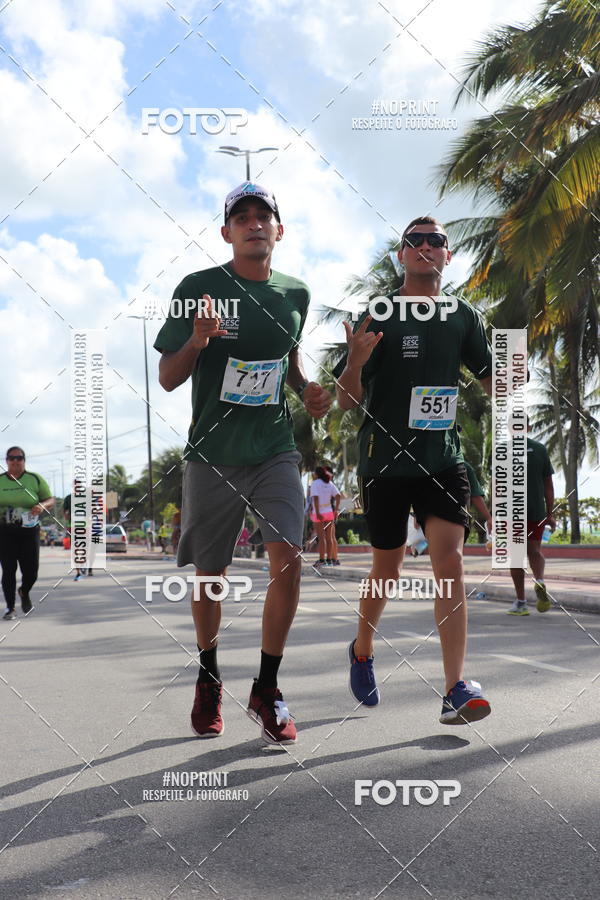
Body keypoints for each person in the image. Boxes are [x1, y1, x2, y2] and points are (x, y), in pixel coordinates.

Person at [154, 182, 331, 745]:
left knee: (289, 557)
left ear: (279, 230)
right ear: (226, 231)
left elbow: (291, 364)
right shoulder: (199, 289)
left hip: (275, 447)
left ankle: (267, 688)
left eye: (264, 216)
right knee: (212, 577)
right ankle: (208, 679)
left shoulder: (296, 294)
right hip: (212, 454)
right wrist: (199, 341)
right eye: (242, 217)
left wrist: (308, 391)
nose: (254, 224)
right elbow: (168, 377)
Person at [335, 216, 493, 725]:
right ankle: (362, 648)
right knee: (389, 567)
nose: (426, 247)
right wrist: (355, 362)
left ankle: (454, 689)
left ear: (448, 255)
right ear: (401, 254)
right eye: (415, 241)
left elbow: (497, 384)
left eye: (436, 241)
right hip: (385, 460)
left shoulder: (463, 317)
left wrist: (513, 374)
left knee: (450, 563)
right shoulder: (380, 312)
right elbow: (344, 401)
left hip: (443, 460)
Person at [0, 447, 54, 619]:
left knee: (31, 571)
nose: (15, 461)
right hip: (5, 531)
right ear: (6, 461)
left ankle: (24, 591)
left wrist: (42, 506)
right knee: (8, 570)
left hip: (29, 531)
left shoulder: (34, 479)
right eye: (11, 458)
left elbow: (50, 498)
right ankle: (10, 608)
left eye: (19, 458)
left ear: (24, 460)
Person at [507, 433, 556, 615]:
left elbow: (498, 485)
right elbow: (548, 485)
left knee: (516, 556)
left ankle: (521, 603)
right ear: (528, 427)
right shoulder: (540, 449)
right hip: (536, 510)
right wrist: (550, 513)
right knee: (534, 550)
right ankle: (540, 580)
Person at [309, 466, 340, 566]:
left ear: (317, 474)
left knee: (321, 538)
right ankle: (330, 560)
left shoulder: (315, 484)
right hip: (329, 512)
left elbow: (316, 498)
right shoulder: (329, 483)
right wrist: (336, 509)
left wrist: (317, 512)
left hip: (319, 513)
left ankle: (322, 560)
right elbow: (338, 496)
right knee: (329, 537)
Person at [463, 460, 493, 546]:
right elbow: (475, 496)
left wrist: (488, 518)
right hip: (458, 519)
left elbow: (475, 495)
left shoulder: (464, 466)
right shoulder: (463, 465)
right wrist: (489, 518)